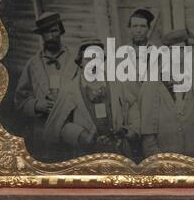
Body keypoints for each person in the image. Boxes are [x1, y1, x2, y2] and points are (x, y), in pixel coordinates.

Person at [44, 39, 140, 160]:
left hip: (118, 150)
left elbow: (132, 106)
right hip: (86, 155)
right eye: (88, 59)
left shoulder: (116, 84)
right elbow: (58, 125)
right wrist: (83, 136)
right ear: (80, 62)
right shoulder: (71, 89)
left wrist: (127, 131)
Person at [139, 29, 194, 159]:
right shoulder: (152, 83)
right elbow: (148, 135)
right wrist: (158, 162)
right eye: (174, 50)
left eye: (182, 49)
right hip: (164, 159)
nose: (179, 54)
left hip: (192, 157)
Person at [14, 12, 78, 162]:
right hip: (43, 130)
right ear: (41, 35)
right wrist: (37, 106)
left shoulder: (75, 59)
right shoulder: (33, 64)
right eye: (45, 32)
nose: (50, 36)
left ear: (61, 31)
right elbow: (20, 99)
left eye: (54, 31)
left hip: (72, 126)